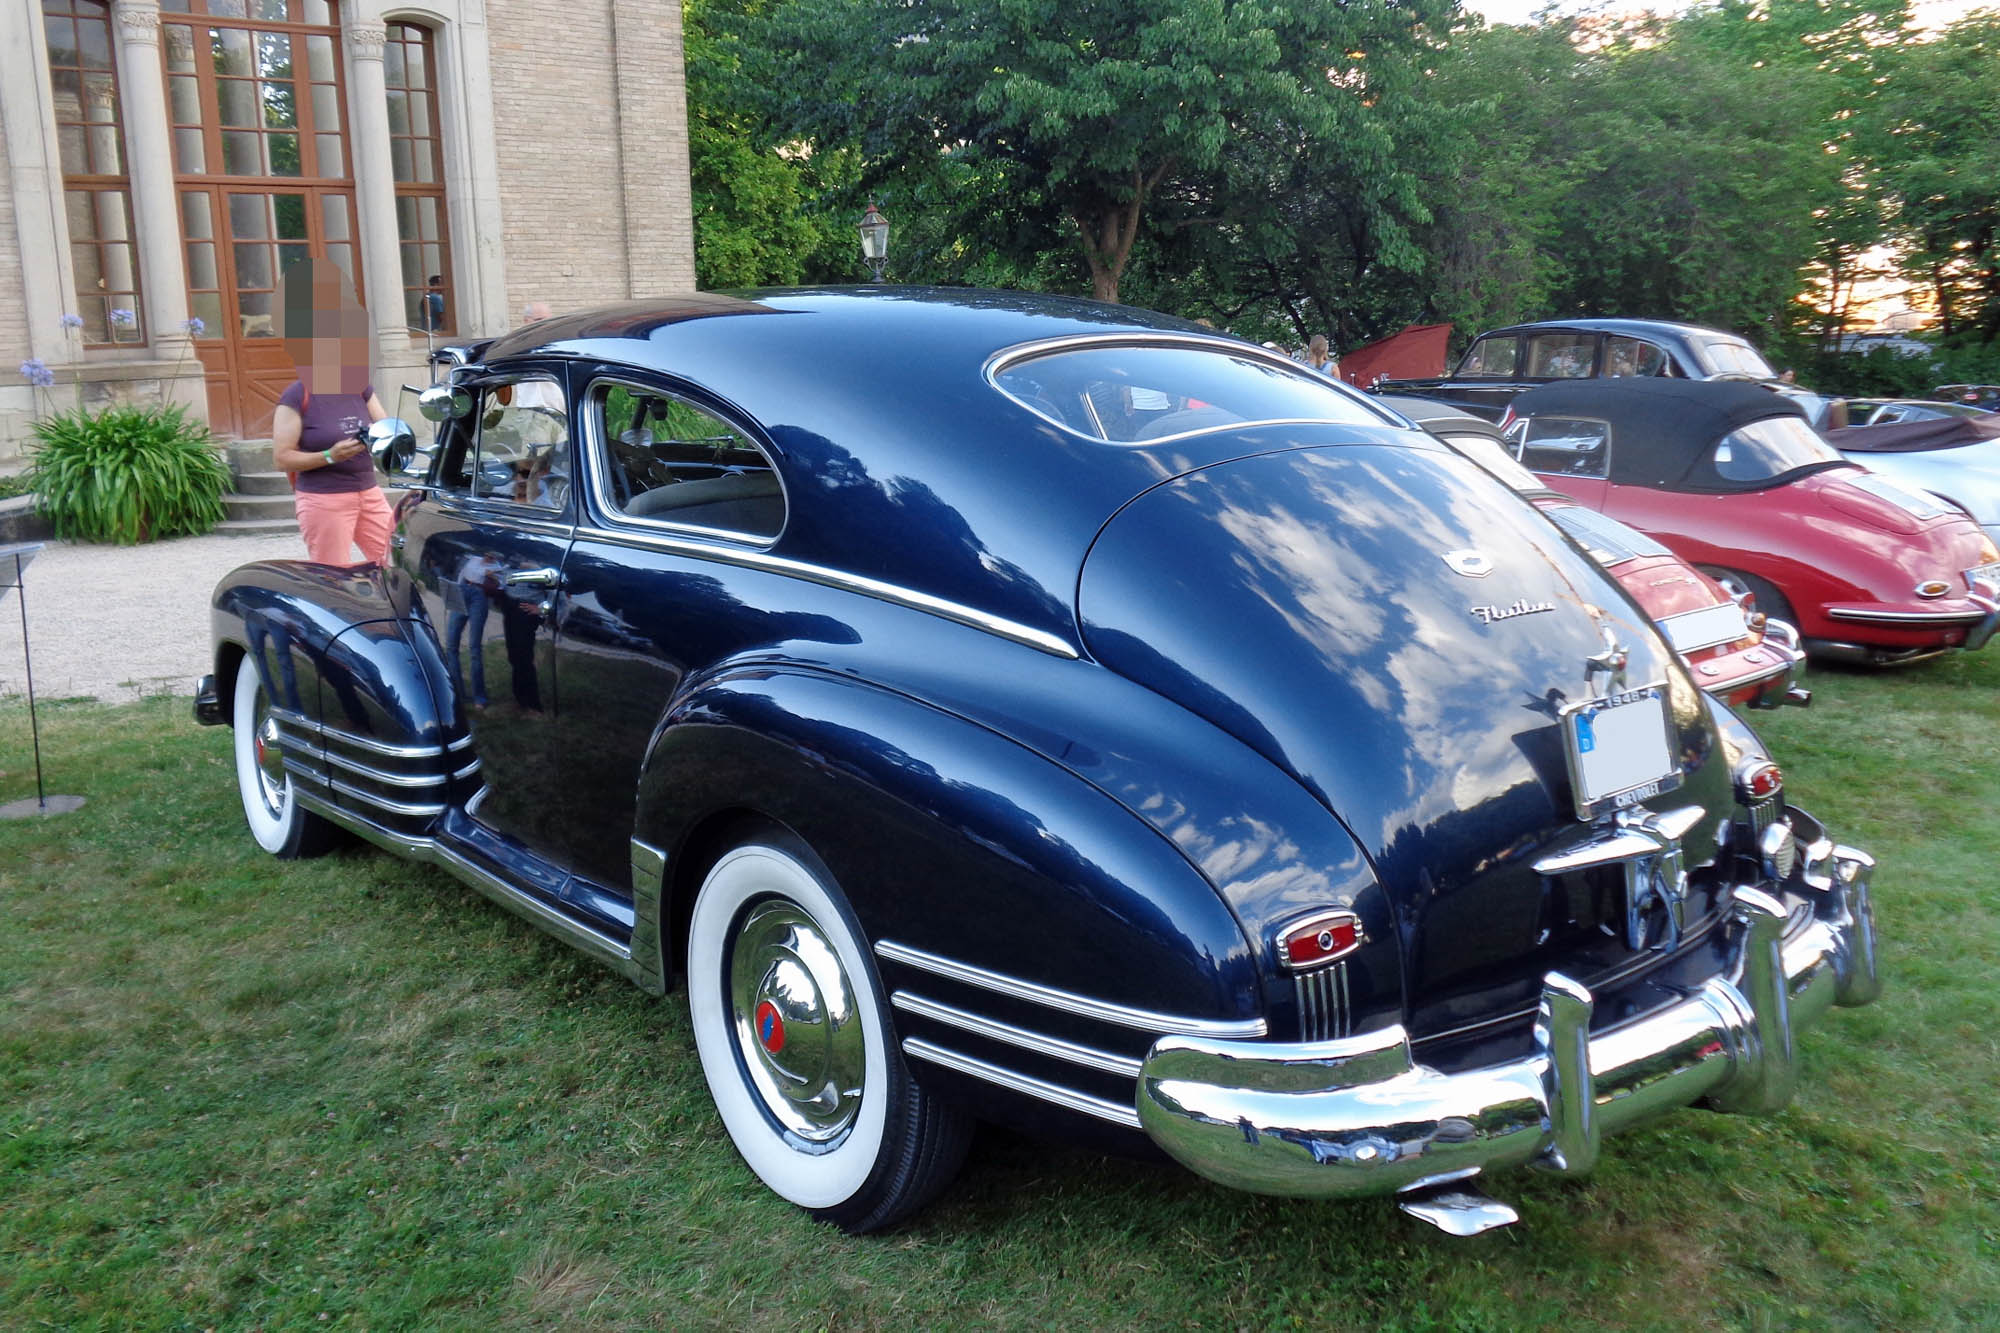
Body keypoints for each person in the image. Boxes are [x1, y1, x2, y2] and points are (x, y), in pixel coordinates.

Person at [270, 259, 392, 566]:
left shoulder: (358, 384)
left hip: (369, 492)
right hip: (325, 499)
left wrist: (387, 438)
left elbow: (387, 427)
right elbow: (282, 457)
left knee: (395, 565)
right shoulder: (298, 394)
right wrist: (329, 456)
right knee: (332, 577)